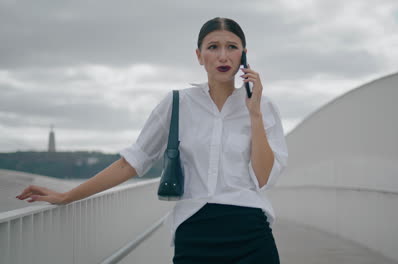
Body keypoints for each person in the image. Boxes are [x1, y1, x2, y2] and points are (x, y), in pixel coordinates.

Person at [16, 17, 288, 264]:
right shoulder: (177, 103)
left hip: (251, 233)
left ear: (244, 55)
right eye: (213, 47)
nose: (222, 55)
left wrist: (254, 114)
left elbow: (263, 178)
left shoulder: (264, 107)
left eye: (232, 47)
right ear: (199, 55)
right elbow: (132, 163)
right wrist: (67, 195)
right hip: (195, 231)